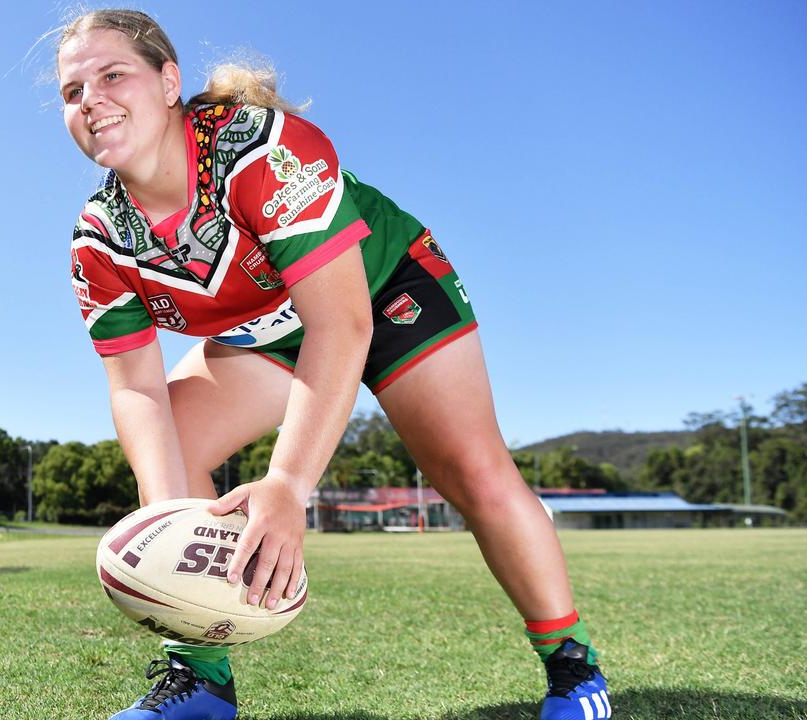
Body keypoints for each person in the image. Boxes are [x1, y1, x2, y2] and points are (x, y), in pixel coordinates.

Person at [56, 9, 610, 720]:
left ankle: (572, 669)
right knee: (172, 455)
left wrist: (288, 485)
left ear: (168, 83)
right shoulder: (98, 241)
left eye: (111, 76)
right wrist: (165, 526)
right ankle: (200, 683)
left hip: (381, 291)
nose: (91, 100)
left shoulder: (261, 150)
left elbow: (340, 323)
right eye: (73, 93)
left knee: (472, 473)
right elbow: (135, 391)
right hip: (270, 329)